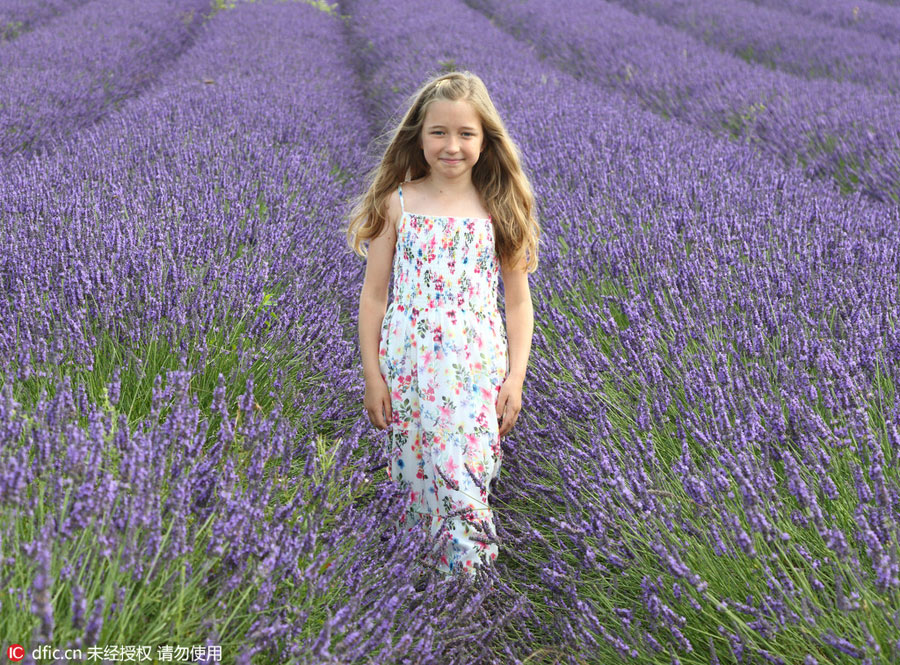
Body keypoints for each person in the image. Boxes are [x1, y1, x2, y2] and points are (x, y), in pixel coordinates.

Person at [346, 70, 540, 581]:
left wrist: (516, 378)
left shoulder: (499, 207)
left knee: (463, 479)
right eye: (439, 132)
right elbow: (374, 296)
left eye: (465, 134)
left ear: (484, 141)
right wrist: (372, 377)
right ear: (419, 137)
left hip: (474, 372)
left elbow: (518, 304)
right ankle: (419, 590)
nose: (451, 146)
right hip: (408, 369)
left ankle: (469, 590)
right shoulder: (398, 203)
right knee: (415, 481)